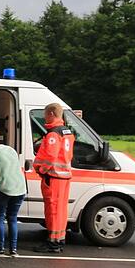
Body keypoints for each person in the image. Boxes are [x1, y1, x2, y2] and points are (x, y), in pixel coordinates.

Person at [33, 102, 74, 253]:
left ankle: (53, 242)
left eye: (45, 114)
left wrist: (42, 170)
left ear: (51, 114)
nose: (44, 117)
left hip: (53, 177)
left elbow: (50, 156)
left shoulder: (53, 134)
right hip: (64, 177)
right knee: (61, 210)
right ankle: (59, 239)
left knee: (53, 210)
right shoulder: (67, 132)